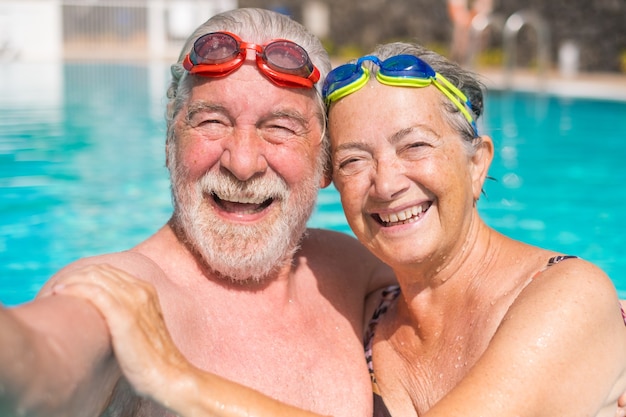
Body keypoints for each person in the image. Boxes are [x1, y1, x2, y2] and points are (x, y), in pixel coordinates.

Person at [49, 41, 626, 417]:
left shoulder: (564, 295)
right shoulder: (370, 315)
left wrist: (178, 381)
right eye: (353, 160)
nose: (386, 183)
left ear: (478, 164)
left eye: (415, 147)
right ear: (329, 183)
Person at [0, 8, 397, 417]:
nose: (242, 163)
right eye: (211, 121)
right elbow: (37, 361)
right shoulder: (128, 292)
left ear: (325, 161)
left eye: (279, 127)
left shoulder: (352, 271)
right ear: (170, 141)